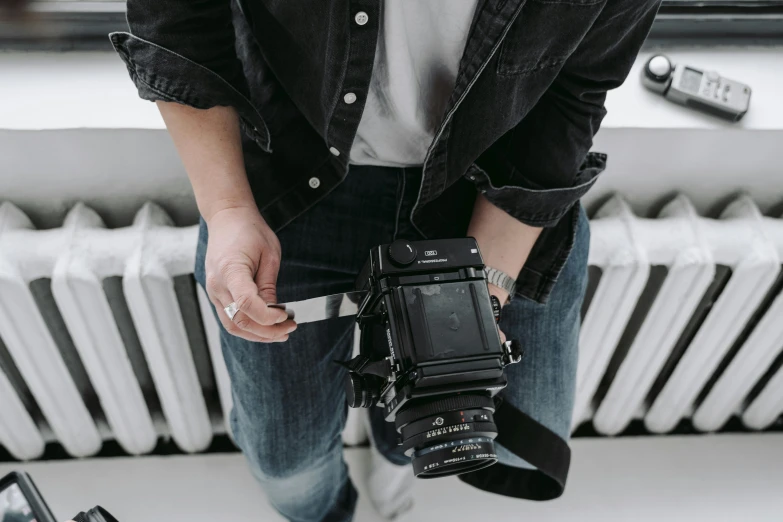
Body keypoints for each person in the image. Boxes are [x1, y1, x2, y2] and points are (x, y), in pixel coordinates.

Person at [112, 1, 661, 520]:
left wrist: (483, 289)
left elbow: (577, 87)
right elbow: (176, 20)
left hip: (493, 184)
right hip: (292, 174)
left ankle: (397, 458)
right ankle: (327, 513)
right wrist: (228, 208)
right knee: (287, 463)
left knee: (469, 417)